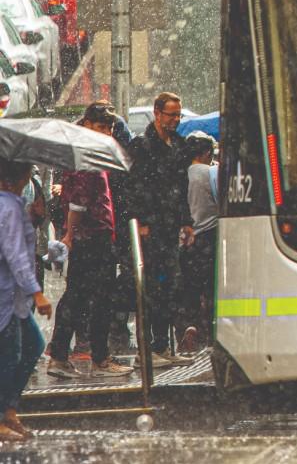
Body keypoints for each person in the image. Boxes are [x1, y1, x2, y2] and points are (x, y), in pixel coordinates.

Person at [44, 104, 132, 379]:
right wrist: (70, 233)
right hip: (92, 236)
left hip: (94, 234)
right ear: (88, 125)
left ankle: (71, 355)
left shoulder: (87, 152)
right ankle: (93, 357)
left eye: (109, 128)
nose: (105, 132)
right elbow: (78, 202)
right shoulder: (85, 155)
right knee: (90, 297)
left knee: (83, 296)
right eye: (100, 127)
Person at [126, 91, 191, 366]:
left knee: (169, 286)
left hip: (170, 224)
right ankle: (147, 349)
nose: (175, 120)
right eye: (170, 115)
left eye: (178, 115)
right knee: (149, 287)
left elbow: (182, 185)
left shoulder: (178, 144)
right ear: (157, 113)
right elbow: (135, 185)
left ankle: (162, 345)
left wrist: (187, 221)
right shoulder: (142, 145)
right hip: (150, 226)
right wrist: (141, 220)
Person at [0, 157, 50, 440]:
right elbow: (16, 255)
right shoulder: (6, 206)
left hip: (14, 296)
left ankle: (9, 410)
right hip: (6, 293)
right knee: (10, 355)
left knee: (32, 345)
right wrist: (38, 293)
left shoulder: (14, 205)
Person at [177, 133, 218, 354]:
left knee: (189, 289)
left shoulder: (180, 174)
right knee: (211, 288)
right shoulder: (211, 172)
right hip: (209, 236)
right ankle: (210, 334)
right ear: (205, 153)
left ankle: (188, 327)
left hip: (186, 239)